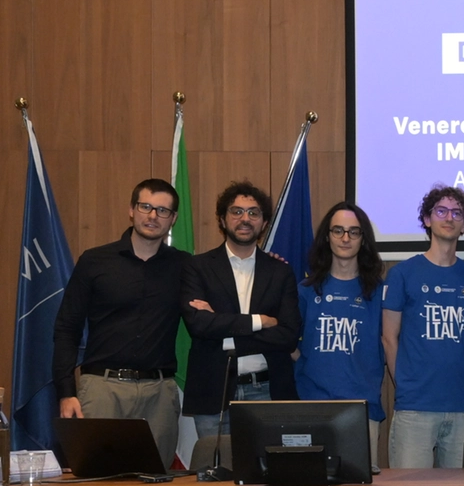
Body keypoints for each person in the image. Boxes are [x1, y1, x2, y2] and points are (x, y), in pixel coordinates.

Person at [53, 179, 190, 467]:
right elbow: (67, 329)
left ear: (173, 220)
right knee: (95, 481)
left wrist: (272, 263)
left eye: (163, 211)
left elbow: (227, 286)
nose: (153, 216)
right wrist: (66, 393)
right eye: (146, 207)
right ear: (131, 210)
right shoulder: (94, 261)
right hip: (102, 389)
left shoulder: (186, 266)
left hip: (159, 395)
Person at [182, 181, 300, 441]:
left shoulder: (280, 272)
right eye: (236, 212)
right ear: (222, 220)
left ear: (264, 223)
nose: (245, 219)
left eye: (253, 213)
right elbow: (199, 326)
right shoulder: (197, 267)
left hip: (269, 390)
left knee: (271, 475)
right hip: (215, 390)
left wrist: (225, 335)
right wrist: (261, 321)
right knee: (217, 475)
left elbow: (288, 335)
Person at [382, 186, 464, 468]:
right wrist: (404, 385)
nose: (448, 217)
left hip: (462, 407)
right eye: (441, 211)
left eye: (456, 213)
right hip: (415, 407)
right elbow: (389, 337)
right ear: (427, 219)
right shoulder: (403, 273)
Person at [295, 202, 387, 464]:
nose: (345, 238)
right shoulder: (305, 290)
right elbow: (287, 341)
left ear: (363, 239)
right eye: (338, 231)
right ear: (327, 236)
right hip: (312, 408)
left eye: (354, 232)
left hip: (362, 410)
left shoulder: (379, 293)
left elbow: (391, 341)